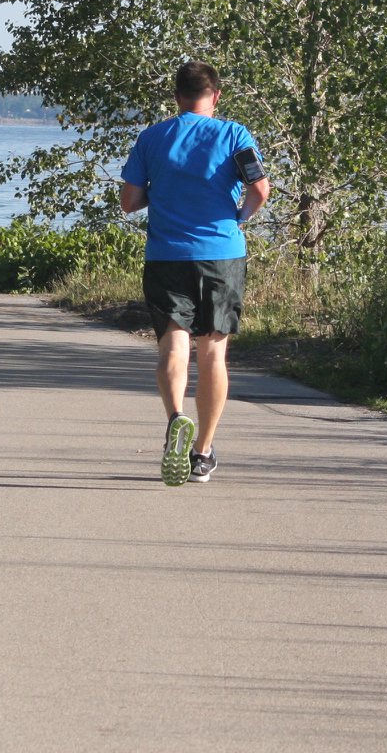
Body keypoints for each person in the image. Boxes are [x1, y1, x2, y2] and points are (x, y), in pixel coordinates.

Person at [120, 61, 270, 486]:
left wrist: (162, 190)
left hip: (166, 255)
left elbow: (128, 201)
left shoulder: (152, 138)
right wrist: (239, 215)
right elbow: (260, 188)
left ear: (176, 96)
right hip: (221, 255)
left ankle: (176, 420)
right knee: (212, 354)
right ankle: (202, 453)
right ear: (216, 95)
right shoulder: (234, 135)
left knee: (173, 346)